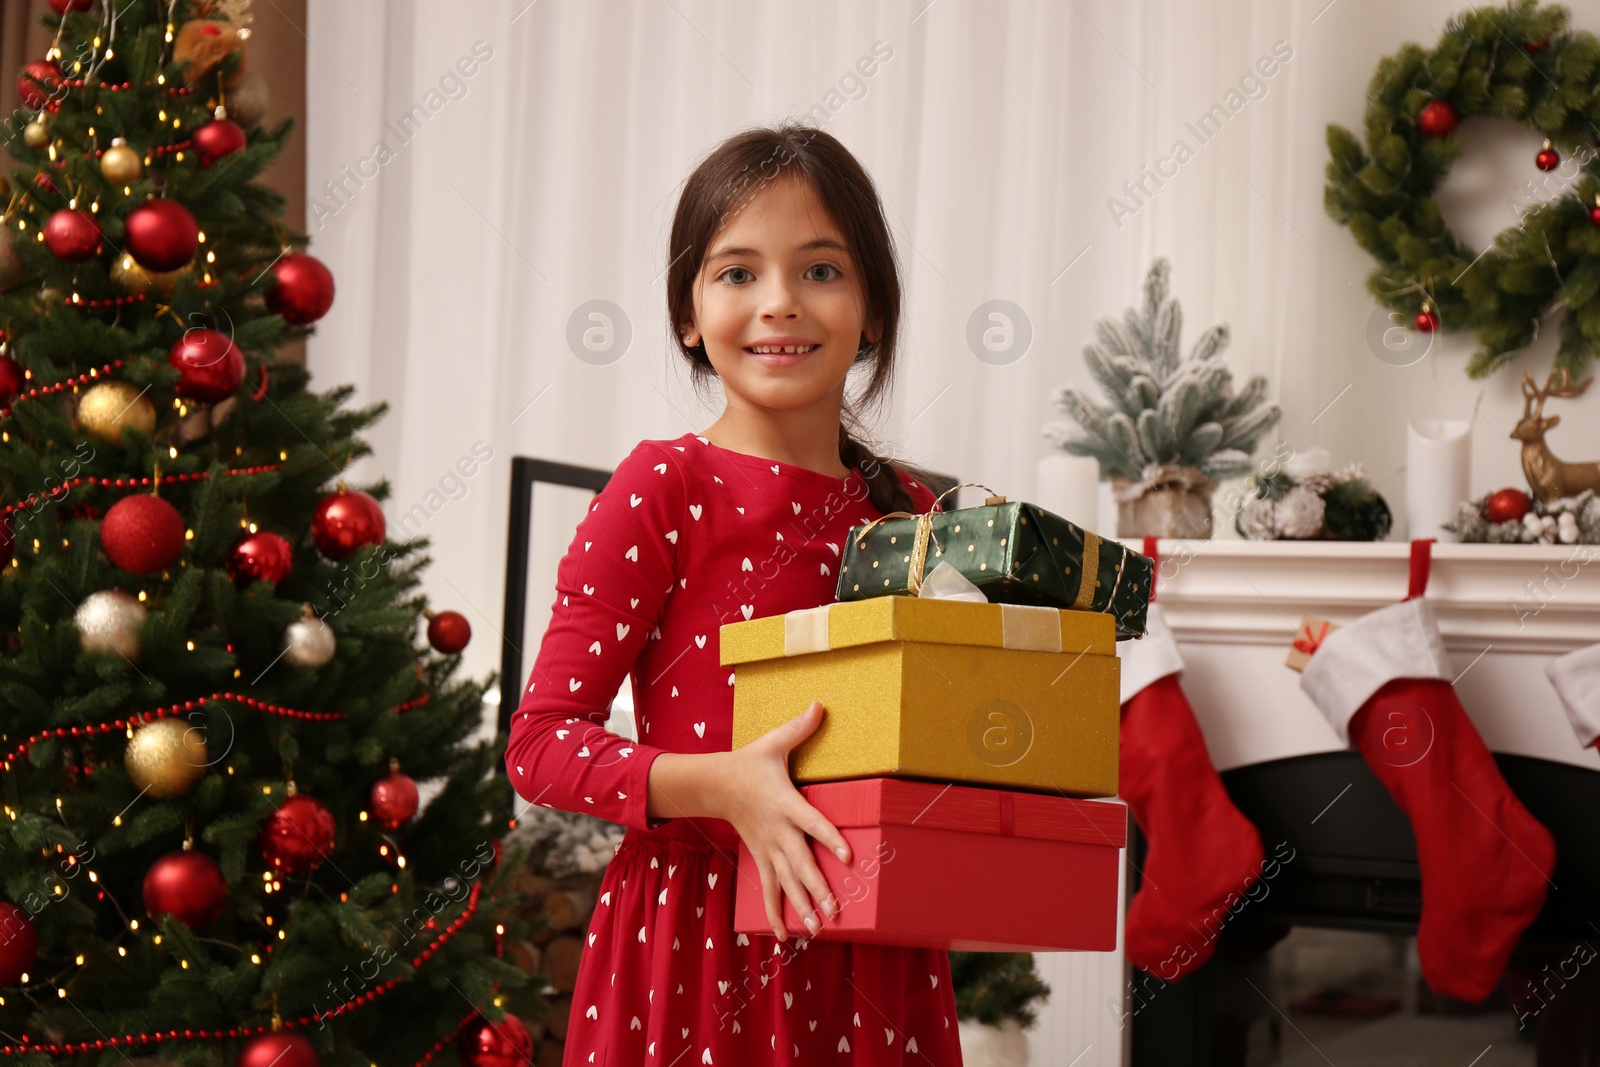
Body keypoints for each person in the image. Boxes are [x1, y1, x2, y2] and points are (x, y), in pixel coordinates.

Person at [504, 121, 963, 1064]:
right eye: (738, 272)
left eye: (822, 271)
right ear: (688, 313)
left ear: (874, 309)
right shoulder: (661, 488)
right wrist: (719, 784)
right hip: (693, 944)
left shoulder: (918, 512)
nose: (780, 304)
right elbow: (541, 745)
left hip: (875, 948)